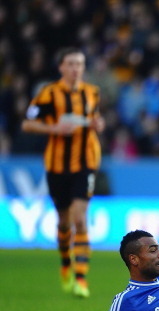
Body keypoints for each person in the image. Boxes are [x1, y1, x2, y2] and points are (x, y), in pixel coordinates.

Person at [22, 47, 105, 298]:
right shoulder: (49, 94)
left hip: (86, 163)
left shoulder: (92, 93)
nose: (75, 68)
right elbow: (27, 123)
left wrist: (98, 124)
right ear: (61, 67)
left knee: (80, 218)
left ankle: (81, 277)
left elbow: (96, 119)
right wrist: (55, 128)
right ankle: (65, 264)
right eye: (70, 63)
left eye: (79, 64)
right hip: (57, 167)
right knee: (63, 222)